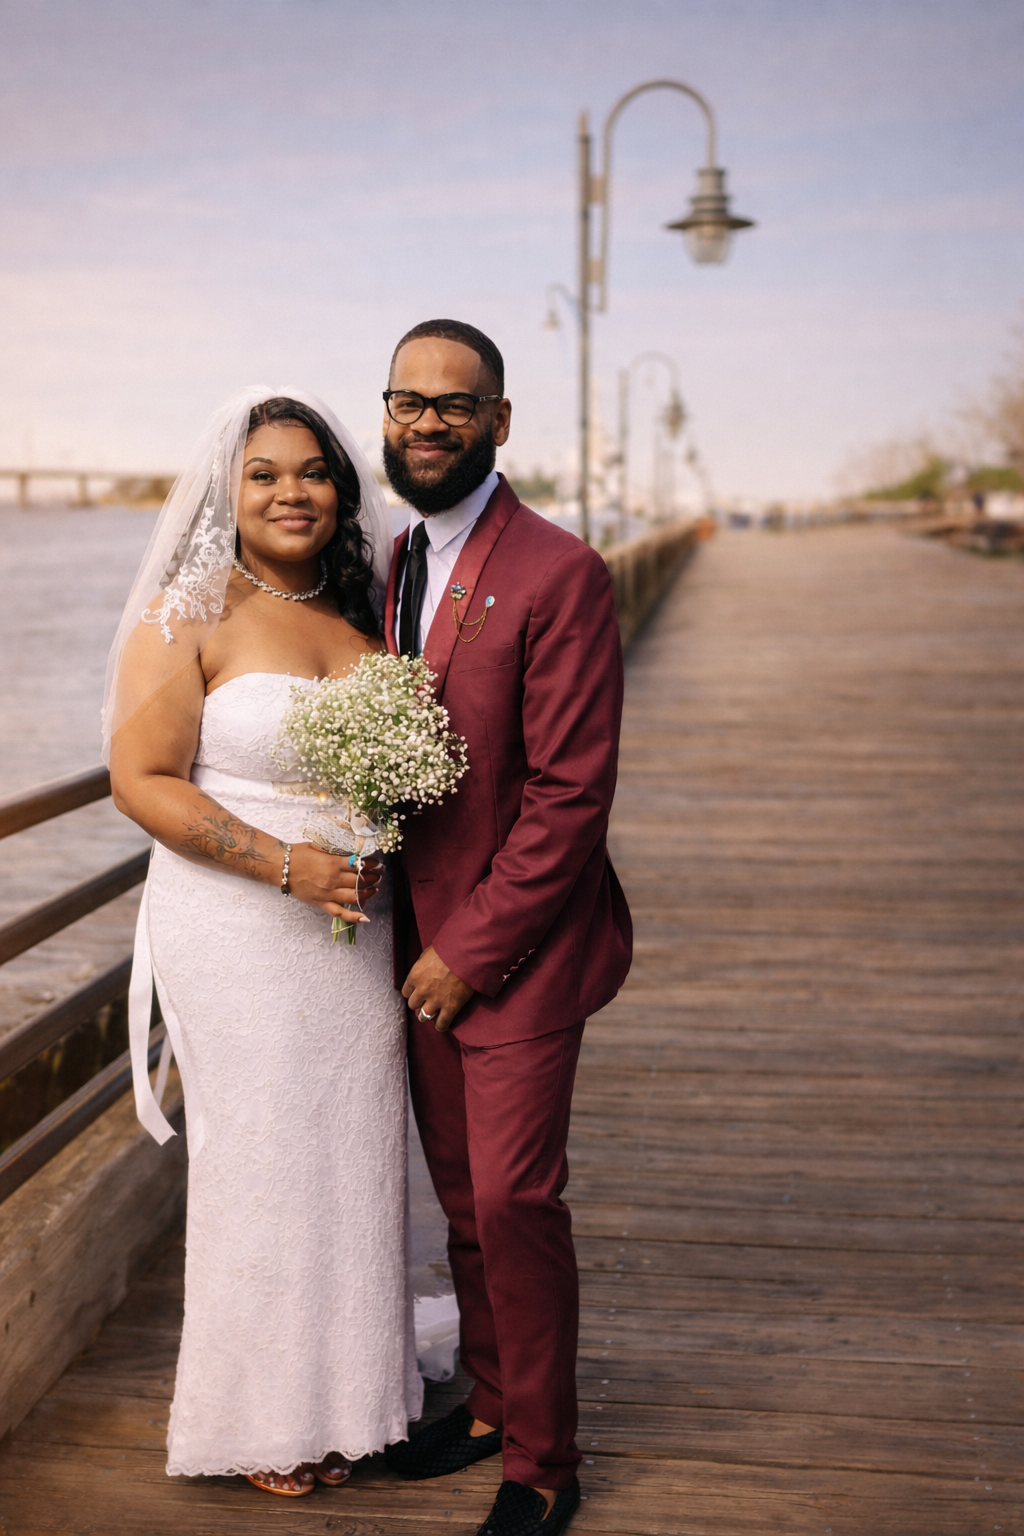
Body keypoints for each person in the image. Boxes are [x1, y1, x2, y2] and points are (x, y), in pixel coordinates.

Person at [105, 387, 423, 1496]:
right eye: (265, 474)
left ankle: (355, 1402)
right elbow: (138, 783)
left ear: (344, 490)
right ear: (226, 494)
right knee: (262, 1160)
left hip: (358, 931)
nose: (294, 492)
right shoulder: (184, 613)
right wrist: (286, 866)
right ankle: (260, 1417)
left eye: (314, 472)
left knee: (355, 1155)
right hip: (239, 921)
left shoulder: (367, 608)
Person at [380, 321, 632, 1536]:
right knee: (463, 1198)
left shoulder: (559, 570)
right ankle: (487, 1400)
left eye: (454, 405)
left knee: (519, 1201)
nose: (428, 423)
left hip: (512, 954)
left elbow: (571, 795)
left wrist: (468, 954)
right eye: (406, 402)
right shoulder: (394, 561)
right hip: (408, 942)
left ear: (499, 421)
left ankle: (542, 1459)